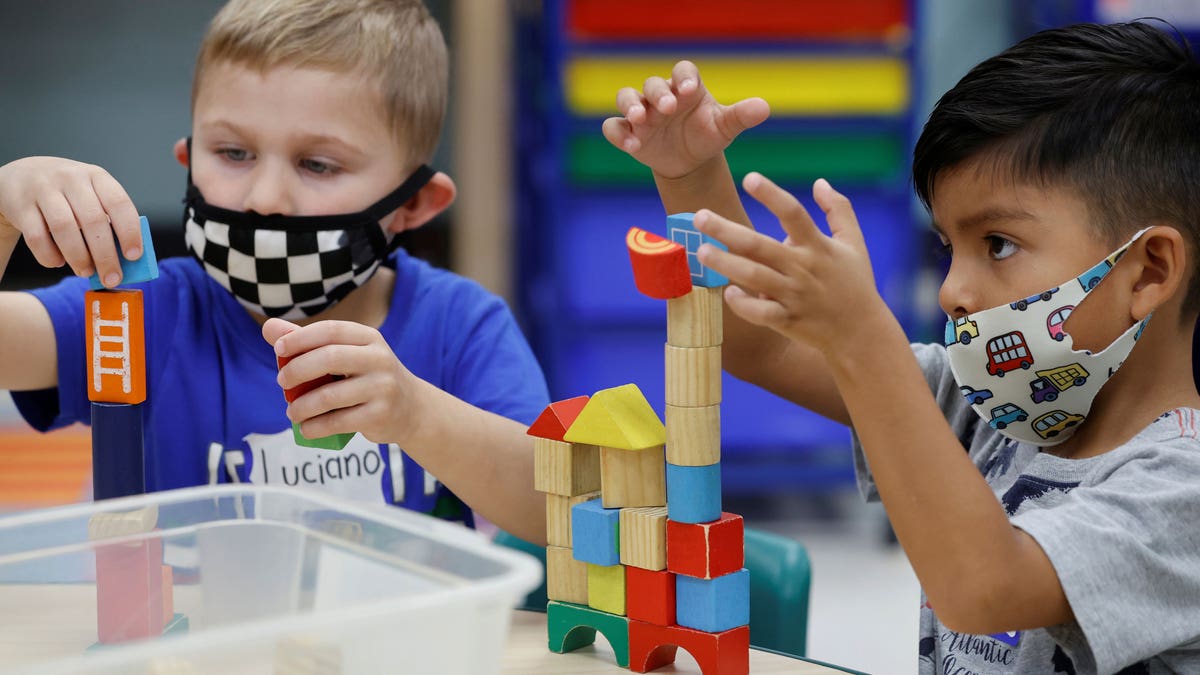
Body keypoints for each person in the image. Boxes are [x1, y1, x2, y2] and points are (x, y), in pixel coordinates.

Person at [604, 21, 1200, 674]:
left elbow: (984, 589)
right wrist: (691, 175)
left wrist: (864, 337)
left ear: (1148, 271)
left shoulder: (1181, 487)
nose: (953, 290)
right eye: (950, 247)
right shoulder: (990, 404)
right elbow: (760, 345)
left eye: (997, 244)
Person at [0, 0, 549, 544]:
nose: (264, 199)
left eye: (318, 164)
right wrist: (2, 213)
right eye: (234, 153)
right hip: (193, 631)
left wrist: (415, 414)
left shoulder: (461, 325)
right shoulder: (140, 312)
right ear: (190, 161)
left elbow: (557, 515)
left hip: (396, 631)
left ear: (415, 204)